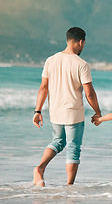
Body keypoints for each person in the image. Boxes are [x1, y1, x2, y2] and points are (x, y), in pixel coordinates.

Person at [32, 27, 101, 186]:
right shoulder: (81, 64)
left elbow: (43, 87)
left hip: (55, 111)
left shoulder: (51, 60)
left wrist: (38, 111)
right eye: (84, 44)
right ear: (81, 42)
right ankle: (69, 187)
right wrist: (98, 112)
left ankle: (40, 168)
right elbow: (89, 93)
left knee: (57, 141)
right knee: (73, 148)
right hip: (73, 113)